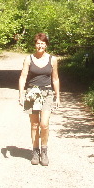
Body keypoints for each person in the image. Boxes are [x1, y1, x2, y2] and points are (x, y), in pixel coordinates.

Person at [18, 32, 60, 166]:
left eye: (42, 43)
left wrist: (57, 96)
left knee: (44, 124)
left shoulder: (52, 60)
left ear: (46, 45)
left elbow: (55, 78)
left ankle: (44, 151)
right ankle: (35, 151)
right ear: (35, 45)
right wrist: (21, 94)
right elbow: (23, 77)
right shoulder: (29, 59)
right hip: (32, 93)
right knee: (35, 124)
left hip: (47, 93)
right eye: (38, 43)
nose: (40, 46)